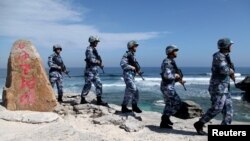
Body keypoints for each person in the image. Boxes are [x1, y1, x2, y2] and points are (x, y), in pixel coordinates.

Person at [194, 38, 235, 135]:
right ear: (226, 46)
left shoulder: (226, 56)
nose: (232, 47)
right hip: (218, 87)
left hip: (225, 87)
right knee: (217, 108)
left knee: (229, 111)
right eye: (230, 45)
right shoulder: (218, 56)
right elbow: (224, 70)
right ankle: (199, 123)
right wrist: (231, 71)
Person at [160, 45, 186, 129]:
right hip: (167, 87)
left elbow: (173, 75)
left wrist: (179, 80)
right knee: (178, 103)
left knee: (169, 104)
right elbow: (167, 75)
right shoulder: (167, 62)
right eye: (175, 51)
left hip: (168, 86)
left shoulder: (171, 61)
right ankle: (165, 118)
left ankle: (164, 121)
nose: (176, 52)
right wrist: (176, 76)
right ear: (170, 52)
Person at [80, 36, 107, 106]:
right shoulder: (89, 49)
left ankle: (99, 100)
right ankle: (82, 99)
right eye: (96, 42)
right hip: (89, 71)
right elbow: (91, 60)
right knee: (87, 85)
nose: (97, 43)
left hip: (95, 71)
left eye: (97, 42)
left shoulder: (94, 50)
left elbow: (96, 60)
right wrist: (98, 62)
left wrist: (100, 64)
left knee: (99, 84)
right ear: (92, 42)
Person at [120, 40, 142, 113]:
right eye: (135, 46)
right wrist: (132, 67)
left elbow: (135, 65)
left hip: (131, 76)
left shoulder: (132, 55)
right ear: (131, 46)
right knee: (135, 90)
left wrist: (137, 70)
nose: (136, 47)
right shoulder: (127, 54)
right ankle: (134, 106)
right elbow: (122, 64)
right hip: (127, 75)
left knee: (128, 93)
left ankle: (124, 107)